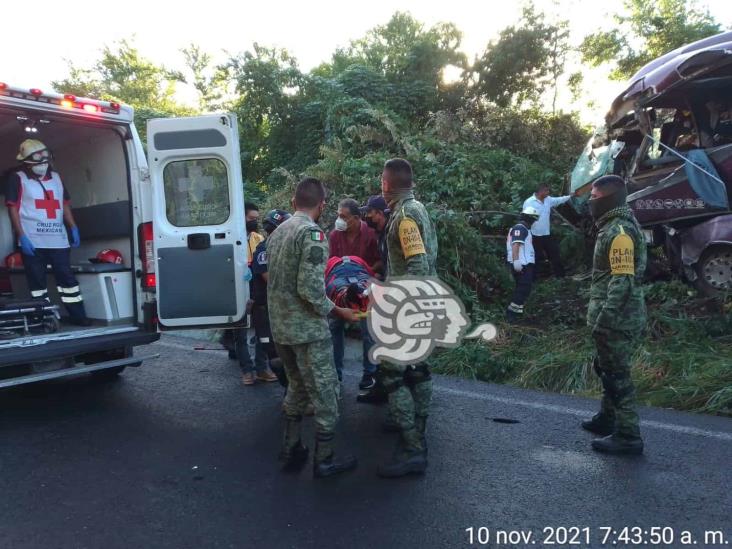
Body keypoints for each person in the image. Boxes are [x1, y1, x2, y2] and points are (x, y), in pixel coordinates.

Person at [267, 177, 359, 478]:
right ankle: (325, 460)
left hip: (281, 329)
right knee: (327, 393)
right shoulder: (313, 235)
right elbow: (309, 289)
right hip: (307, 331)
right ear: (321, 205)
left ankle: (290, 448)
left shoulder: (278, 232)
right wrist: (339, 311)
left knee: (296, 387)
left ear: (294, 202)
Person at [378, 158, 438, 478]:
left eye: (381, 181)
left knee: (392, 375)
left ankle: (413, 446)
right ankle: (417, 427)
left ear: (387, 185)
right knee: (418, 370)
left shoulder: (404, 217)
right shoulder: (418, 209)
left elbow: (416, 263)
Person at [583, 175, 646, 455]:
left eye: (594, 198)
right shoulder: (611, 226)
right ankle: (607, 418)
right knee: (605, 367)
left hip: (617, 319)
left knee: (617, 375)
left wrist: (605, 319)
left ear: (609, 199)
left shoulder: (619, 232)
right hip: (613, 317)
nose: (590, 202)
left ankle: (628, 435)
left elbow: (622, 281)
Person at [5, 139, 90, 326]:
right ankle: (43, 318)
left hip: (58, 241)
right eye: (38, 162)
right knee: (37, 284)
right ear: (26, 162)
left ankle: (78, 316)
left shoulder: (57, 178)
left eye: (45, 161)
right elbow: (13, 208)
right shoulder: (17, 178)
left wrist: (73, 227)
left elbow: (64, 204)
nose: (43, 165)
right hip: (32, 240)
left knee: (67, 279)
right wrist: (22, 236)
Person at [328, 198, 380, 390]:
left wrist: (362, 273)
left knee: (369, 330)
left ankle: (370, 374)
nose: (339, 220)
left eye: (344, 216)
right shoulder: (335, 235)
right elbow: (332, 263)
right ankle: (336, 375)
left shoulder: (371, 235)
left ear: (357, 218)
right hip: (340, 288)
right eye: (338, 215)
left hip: (365, 286)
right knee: (335, 326)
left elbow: (379, 261)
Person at [224, 201, 278, 385]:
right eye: (251, 218)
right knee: (240, 332)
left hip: (258, 291)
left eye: (256, 219)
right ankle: (247, 371)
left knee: (263, 331)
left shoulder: (259, 238)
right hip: (238, 290)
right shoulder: (230, 238)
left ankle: (262, 368)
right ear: (242, 217)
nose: (254, 222)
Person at [251, 209, 292, 387]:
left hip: (283, 309)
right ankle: (289, 391)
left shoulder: (286, 249)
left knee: (290, 354)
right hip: (265, 309)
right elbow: (271, 280)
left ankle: (292, 394)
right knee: (274, 355)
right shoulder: (263, 250)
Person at [522, 183, 572, 278]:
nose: (548, 192)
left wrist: (570, 196)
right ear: (540, 191)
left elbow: (559, 200)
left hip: (546, 234)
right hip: (534, 235)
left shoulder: (548, 200)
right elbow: (525, 218)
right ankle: (533, 279)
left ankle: (560, 277)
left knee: (555, 255)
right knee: (534, 258)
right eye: (546, 190)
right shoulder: (529, 202)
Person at [505, 206, 540, 322]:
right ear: (530, 219)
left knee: (523, 288)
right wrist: (516, 262)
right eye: (534, 220)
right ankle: (511, 315)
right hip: (521, 264)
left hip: (523, 263)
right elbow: (516, 245)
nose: (534, 222)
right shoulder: (520, 228)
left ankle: (517, 313)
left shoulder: (523, 228)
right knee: (523, 289)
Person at [360, 195, 390, 278]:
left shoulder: (390, 233)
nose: (367, 216)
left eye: (369, 212)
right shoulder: (380, 234)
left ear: (379, 213)